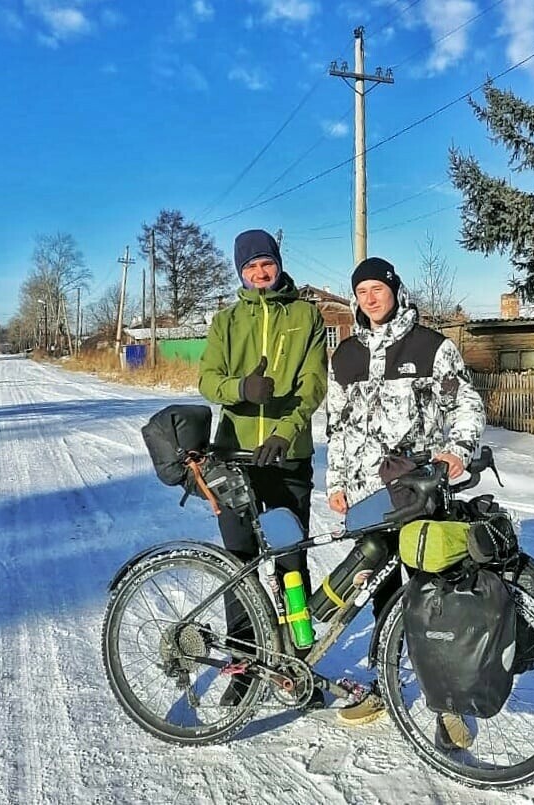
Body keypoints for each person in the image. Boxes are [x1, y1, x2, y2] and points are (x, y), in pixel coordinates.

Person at [325, 256, 485, 745]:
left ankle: (446, 701)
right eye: (362, 291)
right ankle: (383, 684)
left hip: (418, 490)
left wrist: (458, 451)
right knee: (378, 591)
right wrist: (335, 481)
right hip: (366, 493)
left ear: (395, 290)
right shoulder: (345, 355)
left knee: (430, 590)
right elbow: (335, 424)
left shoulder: (433, 347)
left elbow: (467, 404)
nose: (370, 298)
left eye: (378, 288)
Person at [199, 228, 327, 706]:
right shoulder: (227, 321)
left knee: (291, 563)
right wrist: (240, 391)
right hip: (235, 458)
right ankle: (244, 665)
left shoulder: (307, 316)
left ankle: (301, 660)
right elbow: (207, 380)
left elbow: (314, 383)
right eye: (250, 266)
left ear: (278, 263)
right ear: (240, 271)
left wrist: (285, 431)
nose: (259, 272)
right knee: (240, 565)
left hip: (287, 455)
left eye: (265, 263)